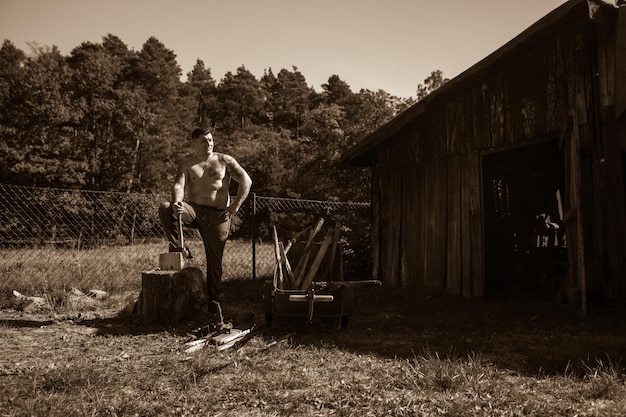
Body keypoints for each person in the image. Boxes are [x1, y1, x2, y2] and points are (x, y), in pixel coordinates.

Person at [159, 128, 252, 314]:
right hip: (194, 210)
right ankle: (179, 246)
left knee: (215, 260)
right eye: (203, 141)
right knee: (165, 208)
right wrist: (178, 202)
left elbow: (246, 180)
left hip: (219, 215)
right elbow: (178, 185)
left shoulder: (224, 160)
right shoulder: (187, 164)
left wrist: (235, 206)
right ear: (194, 143)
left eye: (210, 140)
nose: (208, 143)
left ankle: (214, 301)